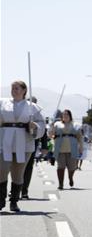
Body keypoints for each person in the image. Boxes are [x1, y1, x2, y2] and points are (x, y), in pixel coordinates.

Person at [1, 81, 46, 213]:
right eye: (12, 88)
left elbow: (41, 125)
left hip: (24, 143)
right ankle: (0, 199)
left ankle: (14, 201)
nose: (14, 90)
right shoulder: (2, 103)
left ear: (24, 90)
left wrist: (35, 126)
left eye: (17, 88)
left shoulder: (33, 107)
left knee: (18, 173)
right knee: (1, 170)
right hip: (4, 141)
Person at [50, 110, 83, 190]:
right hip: (60, 148)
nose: (65, 116)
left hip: (72, 149)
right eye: (64, 115)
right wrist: (51, 128)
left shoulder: (75, 125)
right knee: (60, 167)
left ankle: (70, 177)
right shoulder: (57, 124)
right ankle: (60, 184)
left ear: (70, 116)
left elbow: (80, 137)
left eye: (67, 114)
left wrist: (81, 147)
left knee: (72, 167)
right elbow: (51, 134)